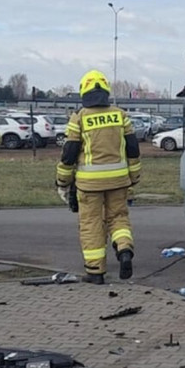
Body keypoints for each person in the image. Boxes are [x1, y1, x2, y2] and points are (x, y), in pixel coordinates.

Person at [55, 70, 142, 284]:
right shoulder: (120, 115)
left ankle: (95, 271)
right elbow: (132, 148)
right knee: (118, 218)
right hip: (119, 181)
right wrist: (134, 176)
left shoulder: (79, 117)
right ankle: (124, 250)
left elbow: (69, 153)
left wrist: (62, 180)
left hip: (89, 184)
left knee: (91, 223)